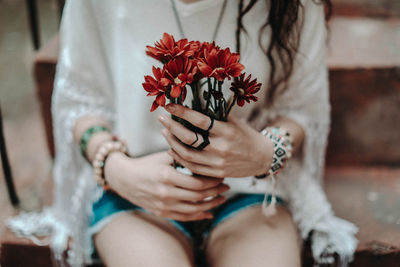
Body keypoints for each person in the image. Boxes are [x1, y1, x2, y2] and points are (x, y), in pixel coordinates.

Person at [8, 0, 358, 266]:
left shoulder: (294, 6)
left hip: (249, 191)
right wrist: (114, 168)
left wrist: (266, 152)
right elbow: (81, 103)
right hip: (135, 193)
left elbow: (299, 108)